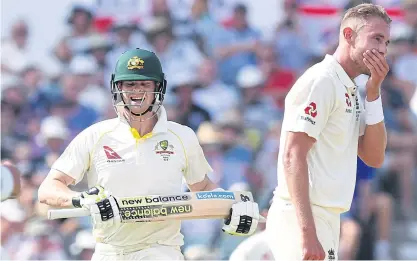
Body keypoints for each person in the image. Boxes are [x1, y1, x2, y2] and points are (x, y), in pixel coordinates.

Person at [37, 48, 261, 260]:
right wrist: (81, 200)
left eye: (145, 84)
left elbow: (201, 188)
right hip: (111, 252)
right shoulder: (95, 135)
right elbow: (48, 189)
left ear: (159, 88)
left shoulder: (182, 136)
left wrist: (231, 206)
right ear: (117, 88)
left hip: (162, 251)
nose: (137, 91)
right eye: (130, 84)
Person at [266, 3, 391, 260]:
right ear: (348, 35)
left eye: (387, 42)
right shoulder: (322, 80)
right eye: (376, 38)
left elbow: (374, 157)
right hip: (302, 220)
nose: (382, 49)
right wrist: (307, 234)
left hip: (327, 218)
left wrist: (373, 93)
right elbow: (292, 155)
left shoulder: (350, 89)